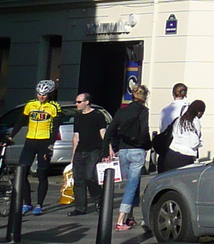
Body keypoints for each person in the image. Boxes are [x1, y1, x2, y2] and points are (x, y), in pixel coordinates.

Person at [106, 84, 152, 231]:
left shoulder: (122, 112)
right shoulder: (143, 111)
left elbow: (110, 131)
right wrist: (147, 145)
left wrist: (107, 150)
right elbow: (144, 130)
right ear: (144, 97)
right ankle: (120, 220)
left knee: (133, 183)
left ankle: (130, 217)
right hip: (136, 151)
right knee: (132, 185)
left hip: (123, 150)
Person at [19, 79, 62, 214]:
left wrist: (51, 143)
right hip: (30, 141)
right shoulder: (30, 105)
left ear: (50, 94)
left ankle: (39, 204)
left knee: (42, 174)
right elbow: (21, 121)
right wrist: (9, 136)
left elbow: (55, 127)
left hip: (44, 141)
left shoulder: (54, 107)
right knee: (23, 172)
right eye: (39, 94)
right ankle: (27, 203)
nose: (41, 97)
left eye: (44, 94)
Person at [68, 92, 109, 215]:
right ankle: (80, 207)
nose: (76, 104)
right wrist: (73, 155)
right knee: (78, 179)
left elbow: (103, 133)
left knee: (90, 176)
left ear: (87, 102)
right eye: (76, 102)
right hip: (80, 150)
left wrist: (108, 150)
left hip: (94, 150)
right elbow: (76, 136)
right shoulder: (78, 117)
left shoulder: (97, 115)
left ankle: (99, 199)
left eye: (79, 102)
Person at [161, 100, 205, 171]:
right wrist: (201, 143)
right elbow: (194, 144)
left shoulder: (179, 120)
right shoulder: (194, 121)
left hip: (171, 154)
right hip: (185, 157)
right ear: (199, 112)